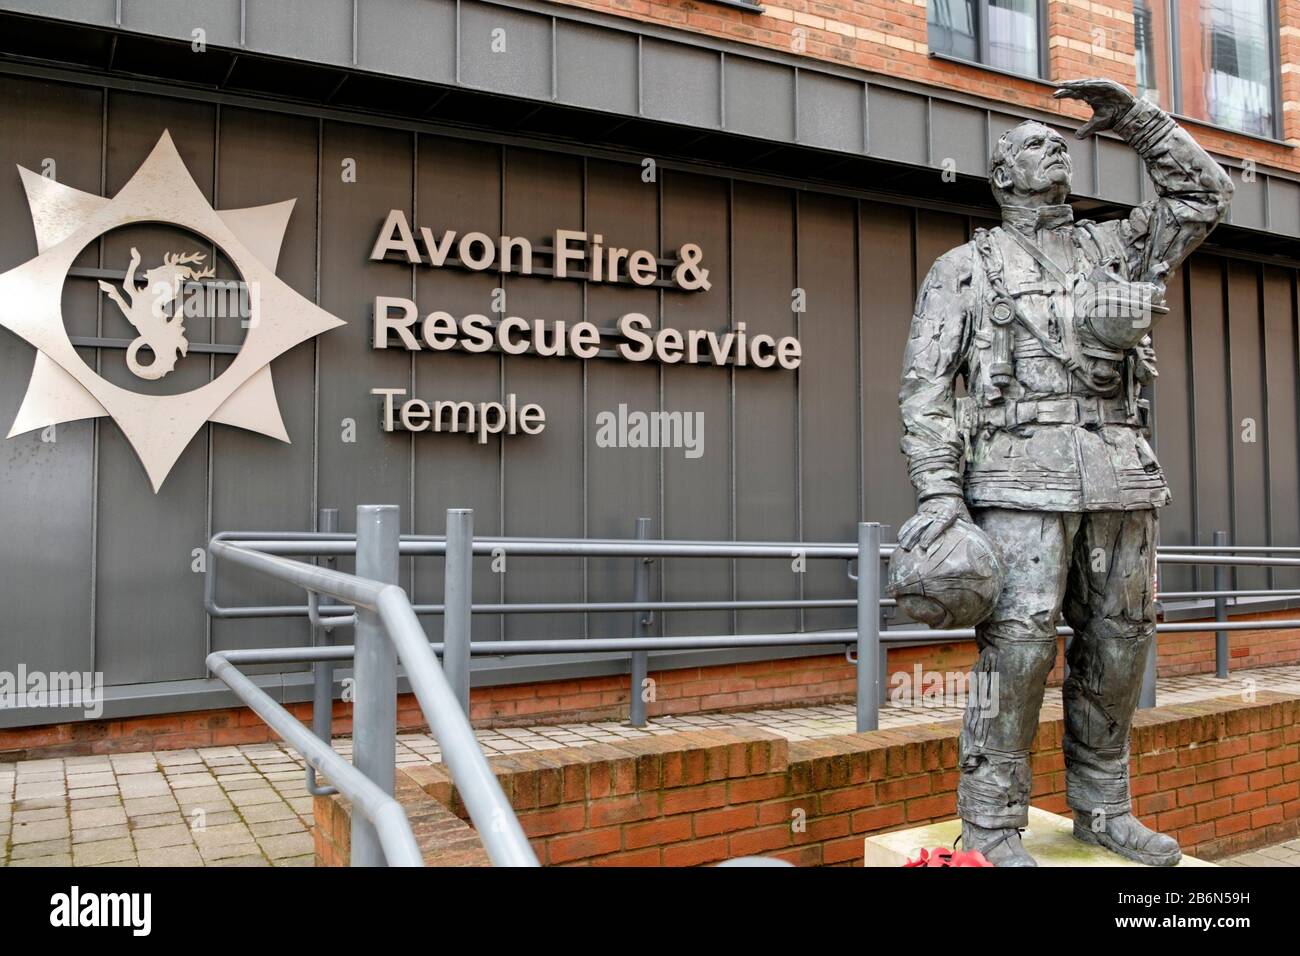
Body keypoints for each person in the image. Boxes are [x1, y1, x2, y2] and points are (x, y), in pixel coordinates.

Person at [896, 78, 1233, 866]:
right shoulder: (963, 269)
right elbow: (925, 390)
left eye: (1058, 141)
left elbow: (1205, 195)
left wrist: (1139, 121)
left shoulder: (1114, 245)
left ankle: (1105, 807)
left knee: (1121, 644)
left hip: (1119, 472)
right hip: (1015, 477)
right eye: (1030, 144)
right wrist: (941, 491)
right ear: (1003, 176)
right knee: (1017, 652)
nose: (1053, 144)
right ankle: (989, 823)